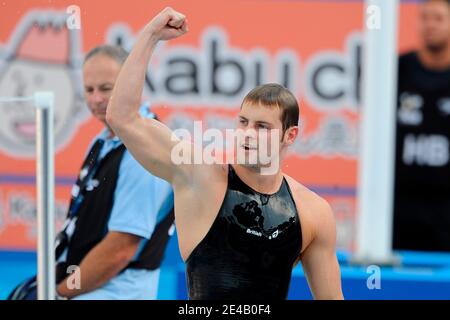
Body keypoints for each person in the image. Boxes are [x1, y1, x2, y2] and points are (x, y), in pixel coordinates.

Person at [106, 7, 343, 300]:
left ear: (289, 135)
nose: (248, 133)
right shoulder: (199, 176)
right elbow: (123, 118)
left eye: (262, 127)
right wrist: (151, 34)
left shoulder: (314, 213)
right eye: (243, 122)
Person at [53, 45, 174, 300]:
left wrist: (59, 293)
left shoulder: (144, 148)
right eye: (89, 89)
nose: (96, 98)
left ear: (132, 84)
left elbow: (120, 250)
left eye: (106, 88)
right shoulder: (103, 140)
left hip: (114, 292)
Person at [393, 0, 450, 252]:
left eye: (438, 18)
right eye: (425, 18)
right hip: (400, 204)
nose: (430, 25)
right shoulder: (397, 69)